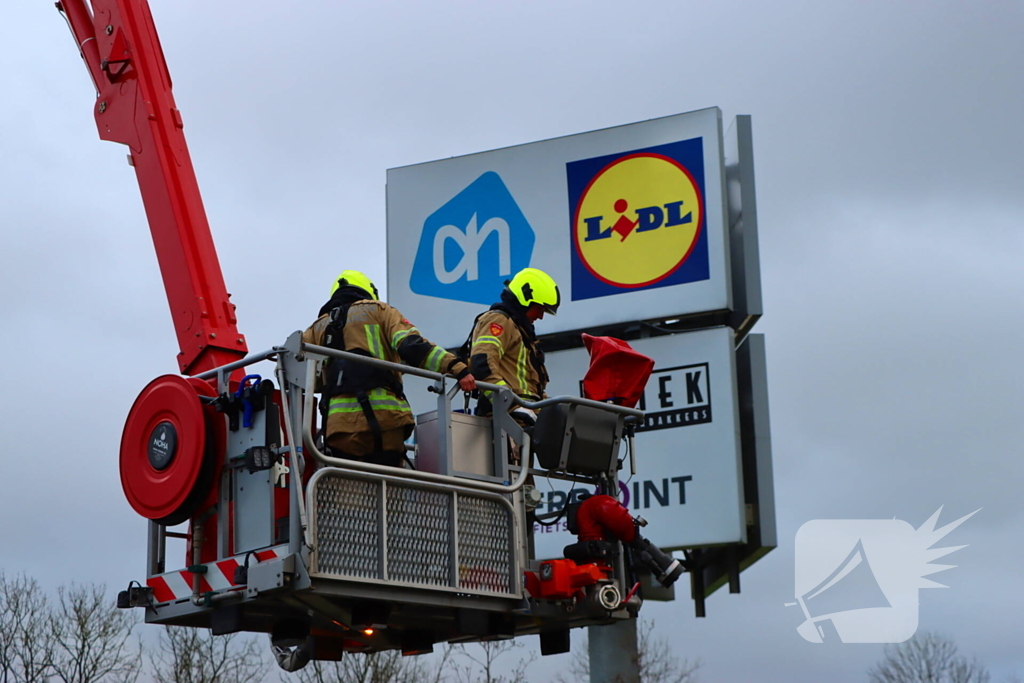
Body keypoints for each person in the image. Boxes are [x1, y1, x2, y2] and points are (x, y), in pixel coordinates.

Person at [304, 270, 476, 466]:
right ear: (369, 290)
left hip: (339, 428)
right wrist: (456, 367)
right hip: (386, 419)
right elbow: (411, 346)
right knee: (389, 489)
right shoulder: (380, 311)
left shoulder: (316, 329)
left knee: (349, 488)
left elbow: (301, 376)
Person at [464, 267, 559, 427]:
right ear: (526, 299)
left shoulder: (521, 331)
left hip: (523, 420)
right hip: (505, 419)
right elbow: (482, 365)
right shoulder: (499, 321)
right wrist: (513, 405)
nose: (541, 316)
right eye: (540, 309)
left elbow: (528, 387)